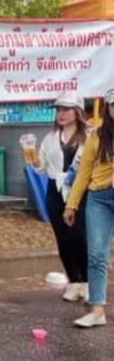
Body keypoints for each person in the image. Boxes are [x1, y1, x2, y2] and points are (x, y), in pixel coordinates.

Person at [63, 87, 114, 327]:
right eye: (113, 106)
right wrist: (71, 205)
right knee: (96, 254)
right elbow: (83, 173)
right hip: (99, 198)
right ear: (108, 108)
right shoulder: (96, 136)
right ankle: (97, 309)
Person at [38, 91, 89, 303]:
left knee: (78, 235)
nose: (61, 114)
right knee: (61, 236)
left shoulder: (91, 135)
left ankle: (87, 281)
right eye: (58, 109)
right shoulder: (50, 138)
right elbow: (41, 166)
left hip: (82, 189)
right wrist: (32, 161)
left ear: (77, 112)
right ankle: (73, 280)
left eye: (66, 109)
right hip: (55, 189)